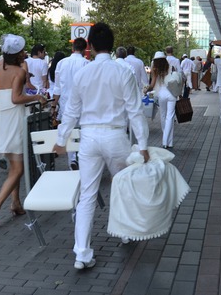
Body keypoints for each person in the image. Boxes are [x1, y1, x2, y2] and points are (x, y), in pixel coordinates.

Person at [52, 22, 149, 270]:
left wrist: (61, 139)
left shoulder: (82, 74)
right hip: (116, 136)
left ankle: (82, 254)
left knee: (87, 195)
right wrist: (143, 143)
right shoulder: (123, 72)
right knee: (122, 186)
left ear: (91, 46)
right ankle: (126, 232)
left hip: (89, 138)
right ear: (113, 45)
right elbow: (135, 112)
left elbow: (71, 111)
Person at [0, 34, 48, 227]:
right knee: (18, 169)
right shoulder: (19, 72)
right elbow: (16, 98)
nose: (25, 53)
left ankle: (16, 203)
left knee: (13, 165)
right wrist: (37, 97)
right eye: (22, 51)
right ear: (17, 54)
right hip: (13, 119)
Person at [54, 37, 89, 170]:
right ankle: (81, 158)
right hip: (82, 104)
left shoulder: (61, 63)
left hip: (65, 103)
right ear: (85, 49)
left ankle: (72, 160)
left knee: (68, 131)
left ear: (72, 48)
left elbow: (57, 87)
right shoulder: (86, 64)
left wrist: (54, 105)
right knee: (82, 133)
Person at [144, 51, 180, 149]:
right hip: (171, 93)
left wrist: (146, 90)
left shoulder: (155, 69)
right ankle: (167, 141)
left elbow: (152, 85)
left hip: (161, 94)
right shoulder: (170, 67)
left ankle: (168, 141)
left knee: (163, 116)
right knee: (170, 117)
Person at [48, 51, 67, 127]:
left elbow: (47, 83)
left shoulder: (50, 70)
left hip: (52, 94)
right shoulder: (63, 68)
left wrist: (53, 106)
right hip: (61, 95)